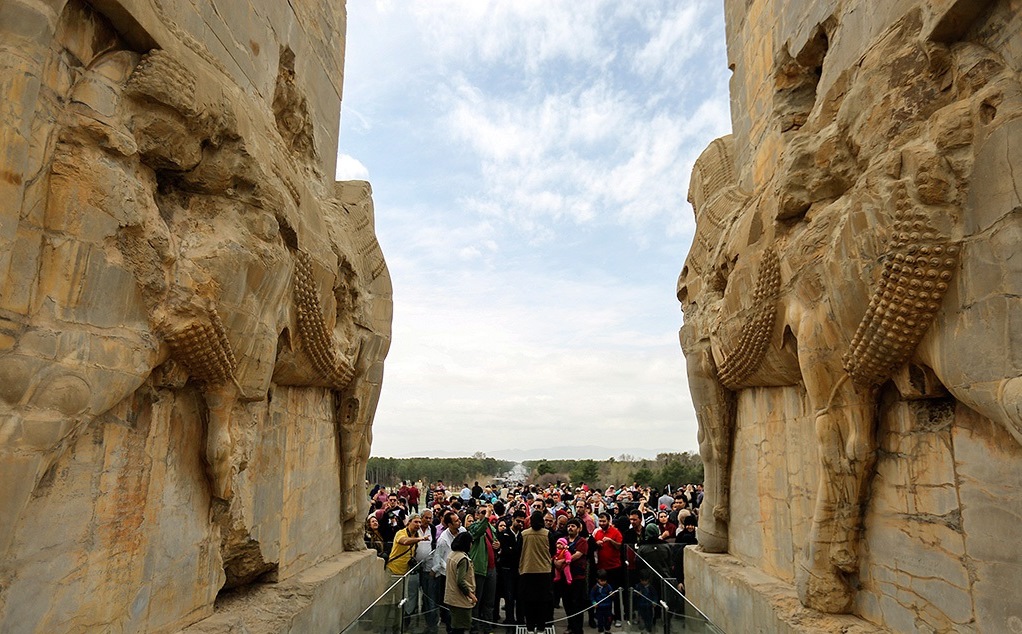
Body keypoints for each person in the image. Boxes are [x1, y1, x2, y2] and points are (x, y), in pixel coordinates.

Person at [519, 510, 553, 633]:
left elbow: (518, 551)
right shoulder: (547, 534)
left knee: (528, 603)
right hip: (544, 571)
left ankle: (529, 628)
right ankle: (541, 628)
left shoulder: (523, 534)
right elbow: (553, 551)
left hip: (527, 571)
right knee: (542, 603)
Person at [432, 511, 466, 634]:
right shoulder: (443, 540)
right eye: (456, 521)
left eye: (458, 519)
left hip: (461, 572)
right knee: (449, 604)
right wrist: (449, 568)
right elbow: (438, 558)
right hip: (447, 575)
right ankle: (450, 628)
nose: (459, 522)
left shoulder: (462, 531)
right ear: (449, 524)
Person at [467, 505, 500, 629]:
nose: (485, 514)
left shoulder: (491, 528)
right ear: (477, 515)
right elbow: (478, 532)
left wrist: (498, 544)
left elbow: (495, 540)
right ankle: (474, 627)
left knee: (489, 601)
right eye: (482, 512)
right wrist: (487, 516)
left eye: (486, 512)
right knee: (476, 600)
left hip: (491, 568)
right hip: (479, 568)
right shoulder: (474, 527)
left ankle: (487, 626)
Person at [593, 512, 624, 627]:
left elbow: (619, 546)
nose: (601, 523)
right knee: (601, 594)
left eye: (603, 521)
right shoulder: (597, 533)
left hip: (614, 567)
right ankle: (604, 616)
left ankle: (618, 617)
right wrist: (597, 543)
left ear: (609, 521)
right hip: (601, 568)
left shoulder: (616, 532)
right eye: (600, 521)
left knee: (614, 593)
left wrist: (611, 541)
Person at [445, 532, 477, 634]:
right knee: (459, 628)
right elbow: (460, 581)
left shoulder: (452, 555)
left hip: (451, 597)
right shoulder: (463, 559)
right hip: (460, 600)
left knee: (453, 627)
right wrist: (471, 595)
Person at [497, 510, 524, 625]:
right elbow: (506, 551)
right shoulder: (504, 534)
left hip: (519, 569)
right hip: (507, 569)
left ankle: (520, 619)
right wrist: (510, 550)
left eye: (522, 522)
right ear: (513, 519)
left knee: (520, 596)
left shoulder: (523, 535)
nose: (520, 524)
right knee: (509, 596)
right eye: (518, 521)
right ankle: (509, 619)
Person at [589, 569, 615, 634]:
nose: (603, 582)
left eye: (605, 580)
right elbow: (592, 597)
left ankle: (607, 629)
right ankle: (601, 630)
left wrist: (612, 594)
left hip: (608, 607)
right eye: (601, 581)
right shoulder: (595, 588)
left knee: (608, 619)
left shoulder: (608, 586)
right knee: (600, 620)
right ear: (597, 579)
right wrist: (594, 603)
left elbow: (612, 594)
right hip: (599, 607)